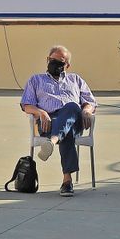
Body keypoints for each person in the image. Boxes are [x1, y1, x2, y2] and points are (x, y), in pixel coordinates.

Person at [21, 46, 96, 197]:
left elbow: (90, 101)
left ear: (67, 65)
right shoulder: (36, 80)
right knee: (66, 132)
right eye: (51, 60)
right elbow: (26, 105)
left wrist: (87, 110)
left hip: (74, 120)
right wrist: (40, 111)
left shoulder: (75, 79)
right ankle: (67, 182)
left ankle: (53, 141)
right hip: (49, 121)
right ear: (47, 60)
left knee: (72, 106)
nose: (54, 63)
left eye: (59, 62)